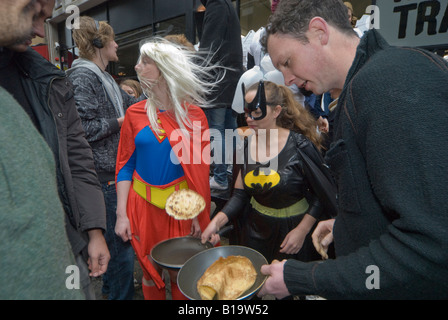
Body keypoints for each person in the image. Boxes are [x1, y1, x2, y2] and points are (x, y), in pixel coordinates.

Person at [258, 0, 448, 299]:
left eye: (287, 62)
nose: (287, 79)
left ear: (319, 32)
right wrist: (350, 225)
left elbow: (430, 248)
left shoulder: (388, 85)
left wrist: (303, 278)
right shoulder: (367, 85)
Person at [0, 0, 110, 300]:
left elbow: (76, 158)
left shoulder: (49, 80)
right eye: (33, 11)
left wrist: (94, 230)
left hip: (68, 248)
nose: (39, 30)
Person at [114, 38, 214, 300]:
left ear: (163, 67)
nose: (136, 67)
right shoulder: (134, 114)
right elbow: (125, 165)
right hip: (141, 206)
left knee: (180, 272)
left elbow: (200, 172)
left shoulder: (194, 116)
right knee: (149, 272)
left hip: (181, 208)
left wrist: (197, 212)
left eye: (145, 61)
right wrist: (121, 213)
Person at [202, 80, 332, 267]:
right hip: (256, 232)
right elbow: (239, 195)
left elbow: (322, 195)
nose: (249, 120)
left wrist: (302, 231)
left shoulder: (300, 146)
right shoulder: (247, 145)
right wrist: (217, 221)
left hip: (293, 234)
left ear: (276, 111)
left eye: (256, 113)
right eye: (247, 114)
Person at [67, 16, 136, 300]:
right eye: (113, 39)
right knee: (121, 260)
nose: (117, 44)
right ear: (100, 44)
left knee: (115, 258)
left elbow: (134, 104)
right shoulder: (83, 77)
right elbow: (83, 128)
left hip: (113, 175)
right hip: (102, 179)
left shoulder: (104, 77)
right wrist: (122, 121)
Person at [199, 0, 245, 191]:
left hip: (217, 80)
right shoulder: (226, 6)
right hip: (230, 81)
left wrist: (198, 76)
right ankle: (232, 173)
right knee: (229, 129)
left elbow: (209, 47)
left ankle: (221, 177)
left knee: (218, 130)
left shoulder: (217, 5)